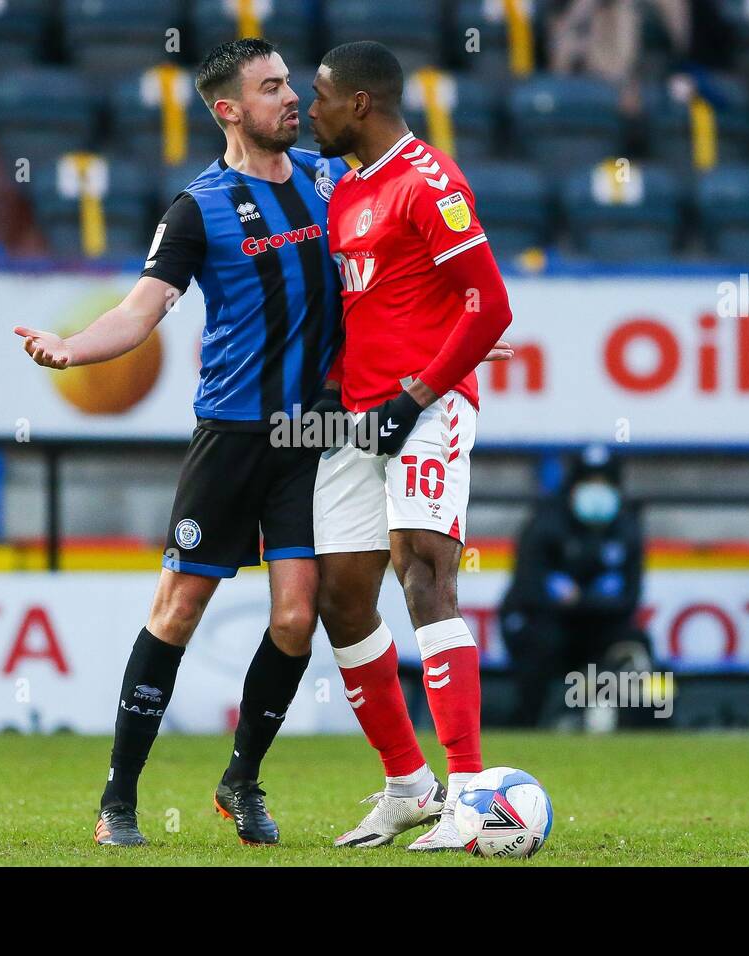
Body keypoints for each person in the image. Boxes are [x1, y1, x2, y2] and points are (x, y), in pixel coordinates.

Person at [16, 39, 350, 847]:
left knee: (298, 618)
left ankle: (241, 779)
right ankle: (118, 799)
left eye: (288, 83)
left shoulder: (329, 179)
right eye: (271, 89)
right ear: (228, 110)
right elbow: (141, 308)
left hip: (312, 435)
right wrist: (75, 348)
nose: (291, 98)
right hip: (231, 436)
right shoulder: (197, 208)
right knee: (179, 609)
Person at [307, 41, 514, 850]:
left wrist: (419, 394)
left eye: (319, 95)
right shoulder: (349, 186)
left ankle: (468, 791)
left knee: (425, 572)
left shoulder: (432, 183)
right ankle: (409, 784)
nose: (310, 108)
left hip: (426, 408)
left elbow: (489, 305)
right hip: (361, 416)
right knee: (340, 595)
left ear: (360, 102)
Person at [498, 445, 650, 729]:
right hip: (549, 625)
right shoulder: (544, 523)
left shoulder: (627, 528)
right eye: (589, 483)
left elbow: (630, 599)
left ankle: (636, 727)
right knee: (542, 641)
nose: (597, 491)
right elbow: (529, 591)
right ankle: (529, 724)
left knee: (636, 645)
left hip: (597, 627)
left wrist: (579, 600)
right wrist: (595, 600)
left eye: (604, 484)